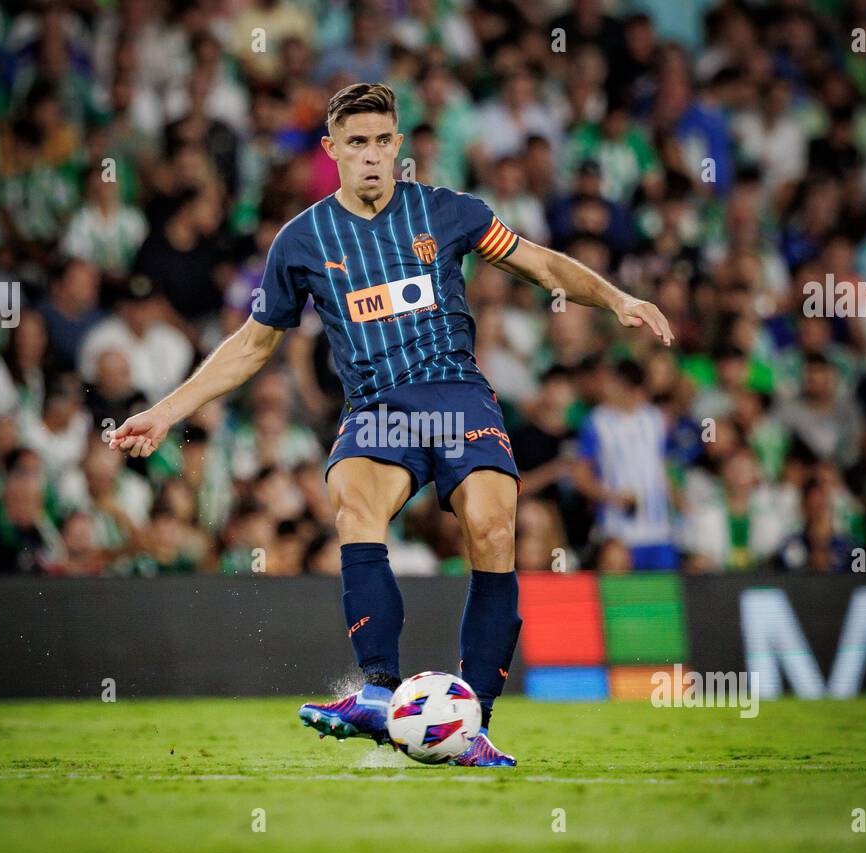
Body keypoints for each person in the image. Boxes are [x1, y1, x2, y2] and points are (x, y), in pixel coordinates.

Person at [109, 83, 671, 766]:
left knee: (495, 528)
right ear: (332, 151)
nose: (372, 157)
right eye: (357, 144)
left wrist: (615, 298)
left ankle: (472, 726)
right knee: (352, 500)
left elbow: (538, 263)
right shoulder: (302, 241)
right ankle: (378, 690)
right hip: (377, 409)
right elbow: (254, 343)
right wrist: (167, 411)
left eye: (382, 142)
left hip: (458, 394)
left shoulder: (448, 211)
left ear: (397, 145)